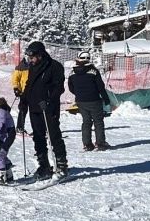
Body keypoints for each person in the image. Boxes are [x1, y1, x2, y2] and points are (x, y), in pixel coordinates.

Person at [22, 41, 68, 180]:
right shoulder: (32, 67)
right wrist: (24, 99)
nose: (31, 60)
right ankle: (44, 166)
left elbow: (59, 87)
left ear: (40, 55)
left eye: (33, 57)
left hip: (49, 108)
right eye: (29, 57)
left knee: (54, 136)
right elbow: (29, 85)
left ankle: (61, 166)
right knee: (38, 137)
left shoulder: (54, 66)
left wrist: (48, 100)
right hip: (34, 108)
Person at [68, 51, 111, 151]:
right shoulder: (93, 71)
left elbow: (71, 87)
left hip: (80, 101)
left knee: (86, 122)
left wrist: (79, 94)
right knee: (98, 122)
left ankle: (87, 144)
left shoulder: (72, 72)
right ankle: (100, 143)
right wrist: (106, 99)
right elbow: (100, 87)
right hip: (94, 100)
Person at [11, 57, 30, 133]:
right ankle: (19, 127)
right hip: (23, 92)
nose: (30, 60)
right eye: (28, 58)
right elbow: (15, 78)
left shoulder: (35, 65)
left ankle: (39, 129)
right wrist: (16, 88)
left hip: (34, 92)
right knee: (23, 110)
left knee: (36, 111)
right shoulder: (21, 66)